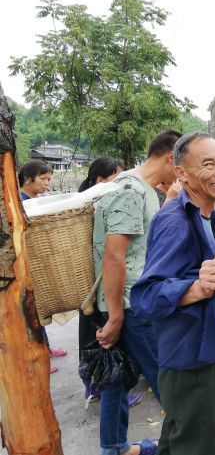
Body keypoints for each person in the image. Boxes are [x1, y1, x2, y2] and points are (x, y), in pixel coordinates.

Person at [130, 132, 215, 455]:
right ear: (181, 173)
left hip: (206, 345)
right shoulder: (174, 221)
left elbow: (202, 270)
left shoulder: (206, 215)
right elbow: (145, 296)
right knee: (201, 444)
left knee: (182, 438)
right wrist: (196, 287)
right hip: (191, 359)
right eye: (208, 164)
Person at [93, 129, 180, 455]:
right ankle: (193, 444)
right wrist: (116, 316)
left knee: (117, 378)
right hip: (132, 305)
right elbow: (114, 255)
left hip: (129, 301)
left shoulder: (138, 186)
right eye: (182, 164)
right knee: (169, 383)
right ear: (171, 157)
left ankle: (113, 447)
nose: (182, 173)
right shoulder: (130, 189)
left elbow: (138, 246)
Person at [77, 156, 143, 406]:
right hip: (94, 283)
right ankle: (97, 387)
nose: (121, 182)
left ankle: (96, 386)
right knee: (98, 334)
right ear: (100, 180)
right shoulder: (90, 207)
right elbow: (112, 254)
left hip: (93, 283)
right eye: (116, 176)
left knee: (94, 333)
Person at [18, 160, 67, 374]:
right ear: (28, 179)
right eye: (43, 179)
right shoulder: (20, 202)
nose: (47, 184)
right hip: (23, 268)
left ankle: (44, 348)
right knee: (28, 314)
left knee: (36, 312)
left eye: (49, 180)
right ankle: (38, 356)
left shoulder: (33, 201)